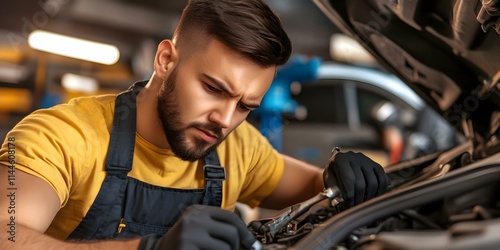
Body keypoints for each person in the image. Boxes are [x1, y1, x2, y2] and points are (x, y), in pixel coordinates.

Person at [0, 0, 388, 249]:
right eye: (213, 88)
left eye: (245, 106)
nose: (224, 120)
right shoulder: (60, 136)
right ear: (166, 60)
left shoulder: (239, 151)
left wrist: (340, 174)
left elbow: (311, 185)